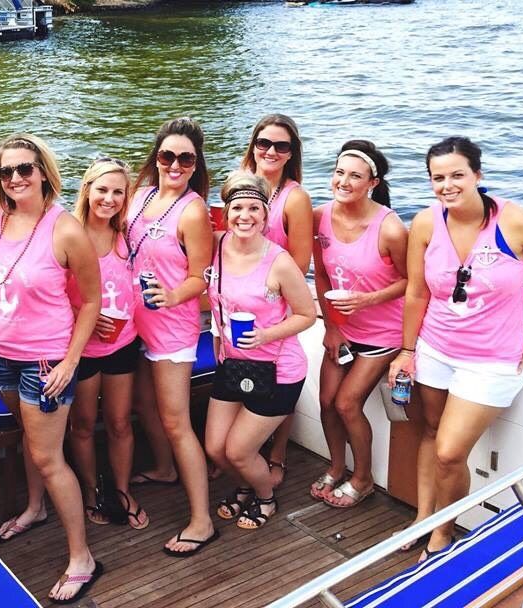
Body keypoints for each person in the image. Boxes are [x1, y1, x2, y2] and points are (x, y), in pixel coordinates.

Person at [388, 136, 523, 561]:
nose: (447, 185)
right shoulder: (426, 222)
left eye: (457, 175)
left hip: (491, 360)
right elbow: (417, 292)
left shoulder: (515, 222)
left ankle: (443, 532)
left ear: (478, 175)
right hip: (435, 348)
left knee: (449, 451)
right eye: (438, 178)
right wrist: (407, 350)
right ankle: (423, 517)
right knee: (430, 432)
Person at [0, 134, 102, 604]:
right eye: (6, 171)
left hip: (44, 359)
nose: (15, 178)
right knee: (31, 440)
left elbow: (91, 301)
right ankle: (35, 508)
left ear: (44, 172)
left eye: (24, 169)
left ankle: (82, 558)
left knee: (49, 457)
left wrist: (71, 360)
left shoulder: (65, 230)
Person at [204, 170, 315, 529]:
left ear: (266, 216)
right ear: (226, 213)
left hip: (278, 370)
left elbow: (307, 314)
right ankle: (244, 486)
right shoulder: (216, 246)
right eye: (237, 208)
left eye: (254, 209)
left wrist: (266, 335)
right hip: (233, 363)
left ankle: (265, 498)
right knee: (215, 448)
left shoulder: (279, 261)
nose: (245, 216)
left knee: (238, 450)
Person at [128, 117, 216, 556]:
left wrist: (172, 294)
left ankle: (202, 520)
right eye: (168, 156)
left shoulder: (194, 210)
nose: (175, 165)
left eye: (186, 158)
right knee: (145, 405)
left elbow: (201, 276)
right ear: (156, 157)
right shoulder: (140, 195)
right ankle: (164, 468)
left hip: (172, 327)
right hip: (133, 322)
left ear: (196, 164)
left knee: (177, 422)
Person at [312, 140, 407, 508]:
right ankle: (337, 467)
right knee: (325, 401)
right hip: (343, 330)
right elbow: (322, 275)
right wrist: (331, 327)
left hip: (383, 333)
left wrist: (367, 299)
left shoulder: (390, 228)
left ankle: (363, 478)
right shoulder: (320, 217)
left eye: (355, 176)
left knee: (347, 404)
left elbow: (413, 282)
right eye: (339, 172)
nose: (344, 181)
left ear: (372, 183)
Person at [67, 158, 148, 530]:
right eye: (102, 189)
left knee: (119, 422)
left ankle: (122, 489)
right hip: (82, 347)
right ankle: (90, 490)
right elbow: (50, 291)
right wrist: (83, 313)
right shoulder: (69, 234)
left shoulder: (126, 234)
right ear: (87, 190)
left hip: (122, 343)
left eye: (118, 192)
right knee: (83, 423)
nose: (109, 199)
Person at [235, 113, 313, 487]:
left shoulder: (294, 198)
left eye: (281, 146)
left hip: (276, 299)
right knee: (242, 370)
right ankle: (243, 447)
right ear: (253, 146)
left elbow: (301, 261)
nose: (270, 151)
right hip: (240, 298)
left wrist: (269, 282)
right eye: (264, 143)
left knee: (280, 371)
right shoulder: (240, 183)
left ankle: (278, 452)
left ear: (291, 153)